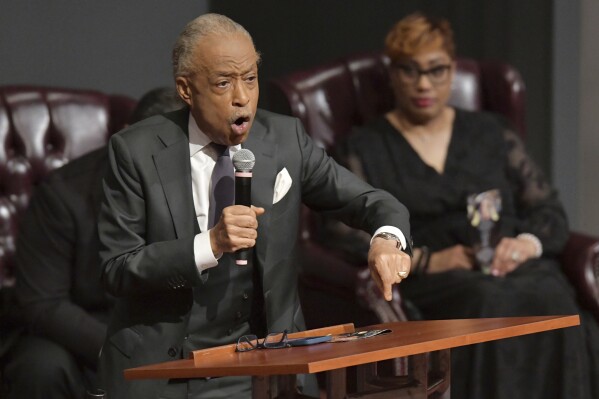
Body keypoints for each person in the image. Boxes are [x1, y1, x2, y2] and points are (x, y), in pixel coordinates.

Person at [96, 13, 413, 399]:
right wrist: (209, 244)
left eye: (250, 78)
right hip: (169, 369)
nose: (242, 97)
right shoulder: (135, 151)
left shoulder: (283, 140)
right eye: (223, 83)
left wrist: (386, 240)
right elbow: (116, 268)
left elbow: (371, 201)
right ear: (185, 89)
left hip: (267, 364)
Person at [330, 12, 599, 399]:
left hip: (511, 265)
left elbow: (548, 211)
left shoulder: (492, 132)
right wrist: (426, 260)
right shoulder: (364, 147)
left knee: (554, 297)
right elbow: (339, 232)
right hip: (438, 280)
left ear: (452, 71)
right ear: (392, 74)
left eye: (436, 71)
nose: (424, 84)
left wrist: (526, 244)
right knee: (488, 299)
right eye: (409, 71)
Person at [3, 87, 185, 399]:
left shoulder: (205, 184)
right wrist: (124, 350)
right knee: (41, 366)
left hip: (169, 328)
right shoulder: (62, 196)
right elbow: (43, 304)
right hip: (86, 332)